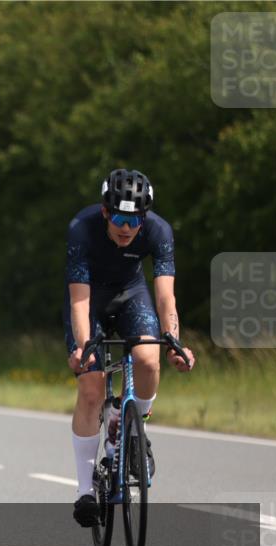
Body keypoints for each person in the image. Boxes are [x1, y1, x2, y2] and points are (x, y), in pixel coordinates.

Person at [65, 169, 195, 527]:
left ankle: (135, 431)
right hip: (90, 298)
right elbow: (78, 302)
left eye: (135, 220)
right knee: (91, 387)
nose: (127, 228)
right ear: (106, 213)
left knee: (149, 362)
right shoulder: (82, 227)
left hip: (131, 296)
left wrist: (174, 340)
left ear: (145, 217)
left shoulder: (159, 231)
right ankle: (84, 492)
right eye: (120, 218)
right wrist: (83, 347)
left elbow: (166, 295)